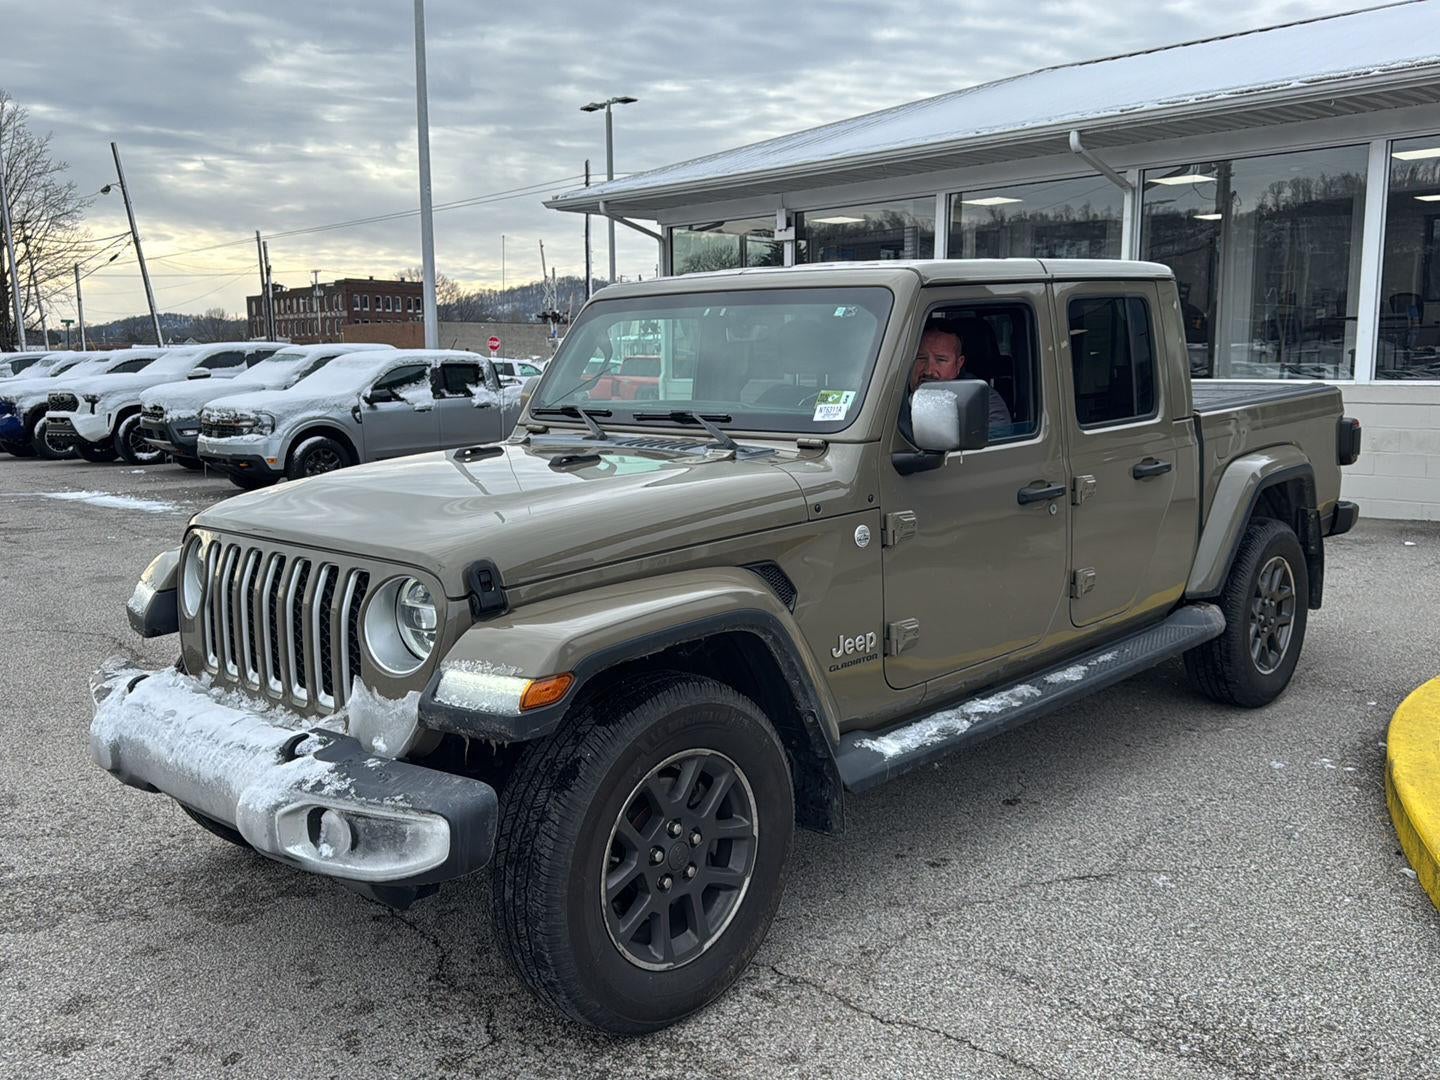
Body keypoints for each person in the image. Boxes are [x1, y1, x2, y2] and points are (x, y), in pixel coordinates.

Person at [900, 324, 1012, 445]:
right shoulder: (895, 393)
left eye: (941, 360)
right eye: (920, 358)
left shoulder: (983, 401)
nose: (928, 370)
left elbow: (993, 448)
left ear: (959, 364)